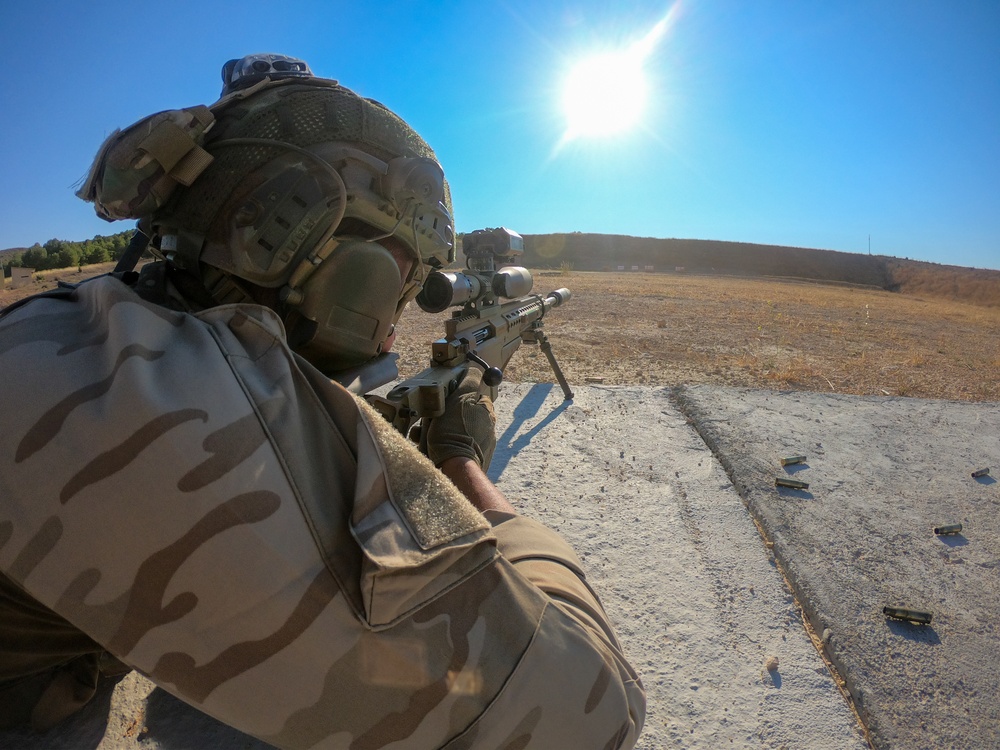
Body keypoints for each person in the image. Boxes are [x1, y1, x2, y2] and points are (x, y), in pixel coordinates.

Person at [0, 54, 645, 748]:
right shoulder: (156, 410)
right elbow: (591, 714)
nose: (394, 307)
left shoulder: (109, 327)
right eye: (396, 268)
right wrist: (457, 464)